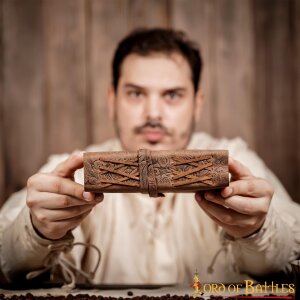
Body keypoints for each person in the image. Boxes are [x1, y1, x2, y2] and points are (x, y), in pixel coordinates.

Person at [0, 28, 299, 288]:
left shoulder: (237, 165)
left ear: (197, 103)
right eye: (136, 94)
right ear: (112, 100)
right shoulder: (71, 171)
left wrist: (259, 230)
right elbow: (5, 251)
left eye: (172, 95)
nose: (153, 114)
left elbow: (291, 248)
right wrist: (35, 232)